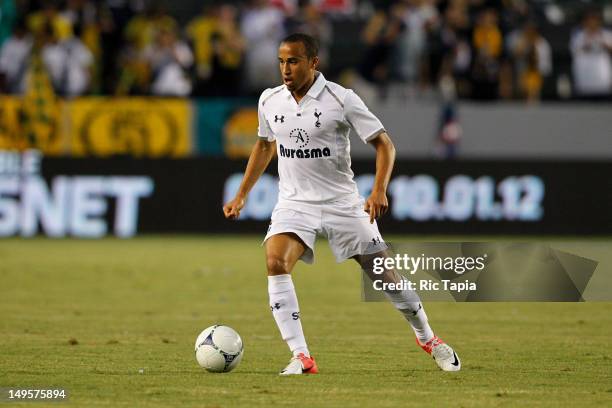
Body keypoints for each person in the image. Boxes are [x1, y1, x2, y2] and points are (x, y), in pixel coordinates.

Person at [223, 33, 460, 375]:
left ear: (313, 63)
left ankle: (428, 338)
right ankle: (301, 356)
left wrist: (379, 189)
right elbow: (264, 146)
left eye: (293, 61)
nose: (285, 69)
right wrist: (242, 193)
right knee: (275, 261)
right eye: (281, 61)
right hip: (295, 202)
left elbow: (384, 145)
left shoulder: (341, 98)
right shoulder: (269, 100)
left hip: (342, 203)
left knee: (384, 276)